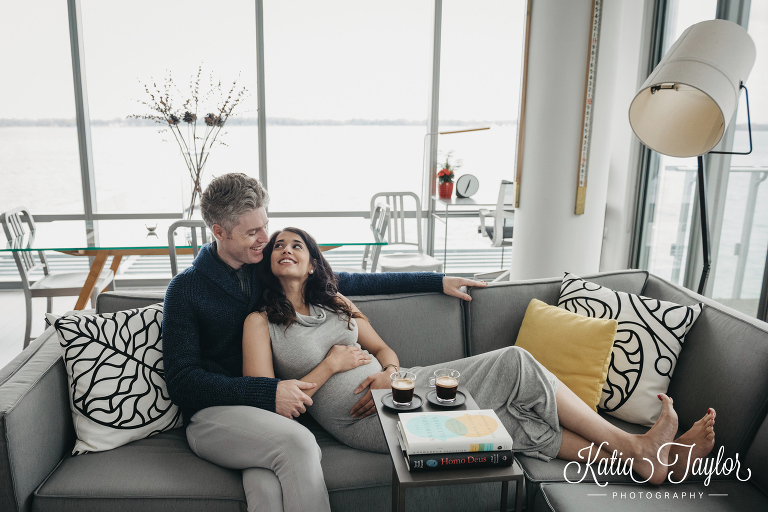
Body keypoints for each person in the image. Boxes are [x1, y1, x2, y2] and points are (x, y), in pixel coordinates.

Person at [243, 227, 718, 491]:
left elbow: (385, 350)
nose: (286, 249)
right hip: (363, 420)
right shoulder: (260, 322)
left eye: (296, 244)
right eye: (278, 246)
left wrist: (387, 372)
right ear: (269, 264)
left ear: (312, 261)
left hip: (401, 388)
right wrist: (331, 365)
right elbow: (266, 402)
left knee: (509, 420)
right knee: (515, 361)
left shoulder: (340, 304)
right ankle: (636, 447)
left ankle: (649, 463)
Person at [162, 173, 486, 512]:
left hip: (268, 417)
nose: (265, 238)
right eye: (252, 232)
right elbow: (183, 382)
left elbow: (348, 280)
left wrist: (436, 280)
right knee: (300, 444)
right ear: (219, 232)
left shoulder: (263, 272)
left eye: (265, 226)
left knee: (266, 489)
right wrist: (267, 393)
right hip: (213, 416)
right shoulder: (185, 289)